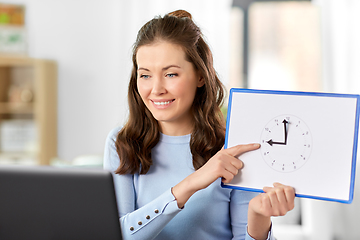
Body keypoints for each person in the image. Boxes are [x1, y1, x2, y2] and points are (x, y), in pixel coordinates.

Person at [104, 10, 295, 240]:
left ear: (201, 77)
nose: (156, 89)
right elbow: (116, 234)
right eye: (145, 75)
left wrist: (259, 217)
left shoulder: (231, 148)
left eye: (171, 74)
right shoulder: (121, 144)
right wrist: (191, 183)